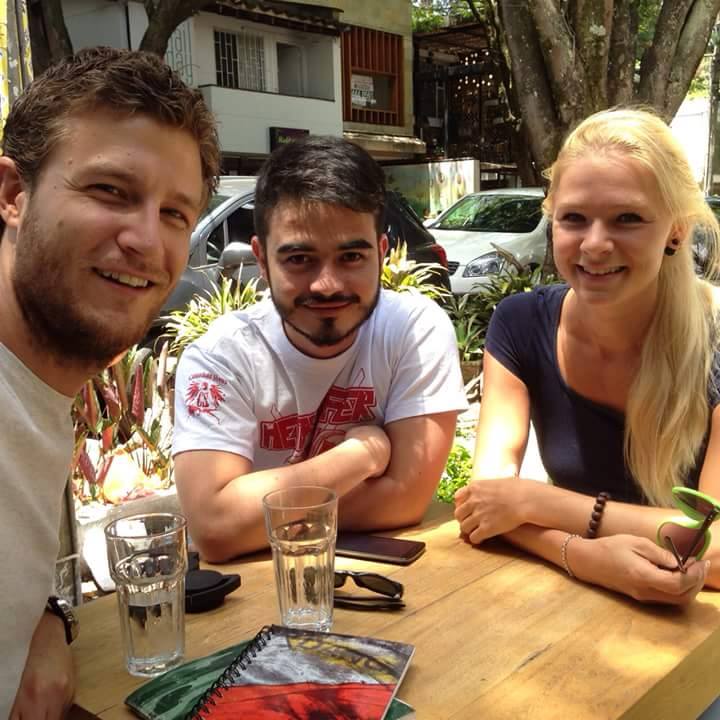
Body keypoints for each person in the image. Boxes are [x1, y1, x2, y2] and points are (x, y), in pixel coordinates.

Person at [0, 47, 220, 718]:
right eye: (110, 192)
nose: (147, 242)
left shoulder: (36, 394)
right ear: (12, 194)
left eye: (175, 214)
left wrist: (44, 614)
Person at [454, 107, 720, 606]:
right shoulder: (519, 323)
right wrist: (583, 556)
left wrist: (538, 502)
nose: (595, 244)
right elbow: (484, 506)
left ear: (677, 230)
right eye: (574, 218)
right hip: (576, 611)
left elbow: (717, 549)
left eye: (628, 218)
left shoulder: (716, 339)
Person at [172, 136, 467, 561]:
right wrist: (363, 455)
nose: (327, 284)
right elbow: (215, 528)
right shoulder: (221, 356)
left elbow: (407, 499)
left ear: (381, 254)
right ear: (261, 260)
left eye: (351, 258)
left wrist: (254, 515)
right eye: (299, 259)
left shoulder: (413, 329)